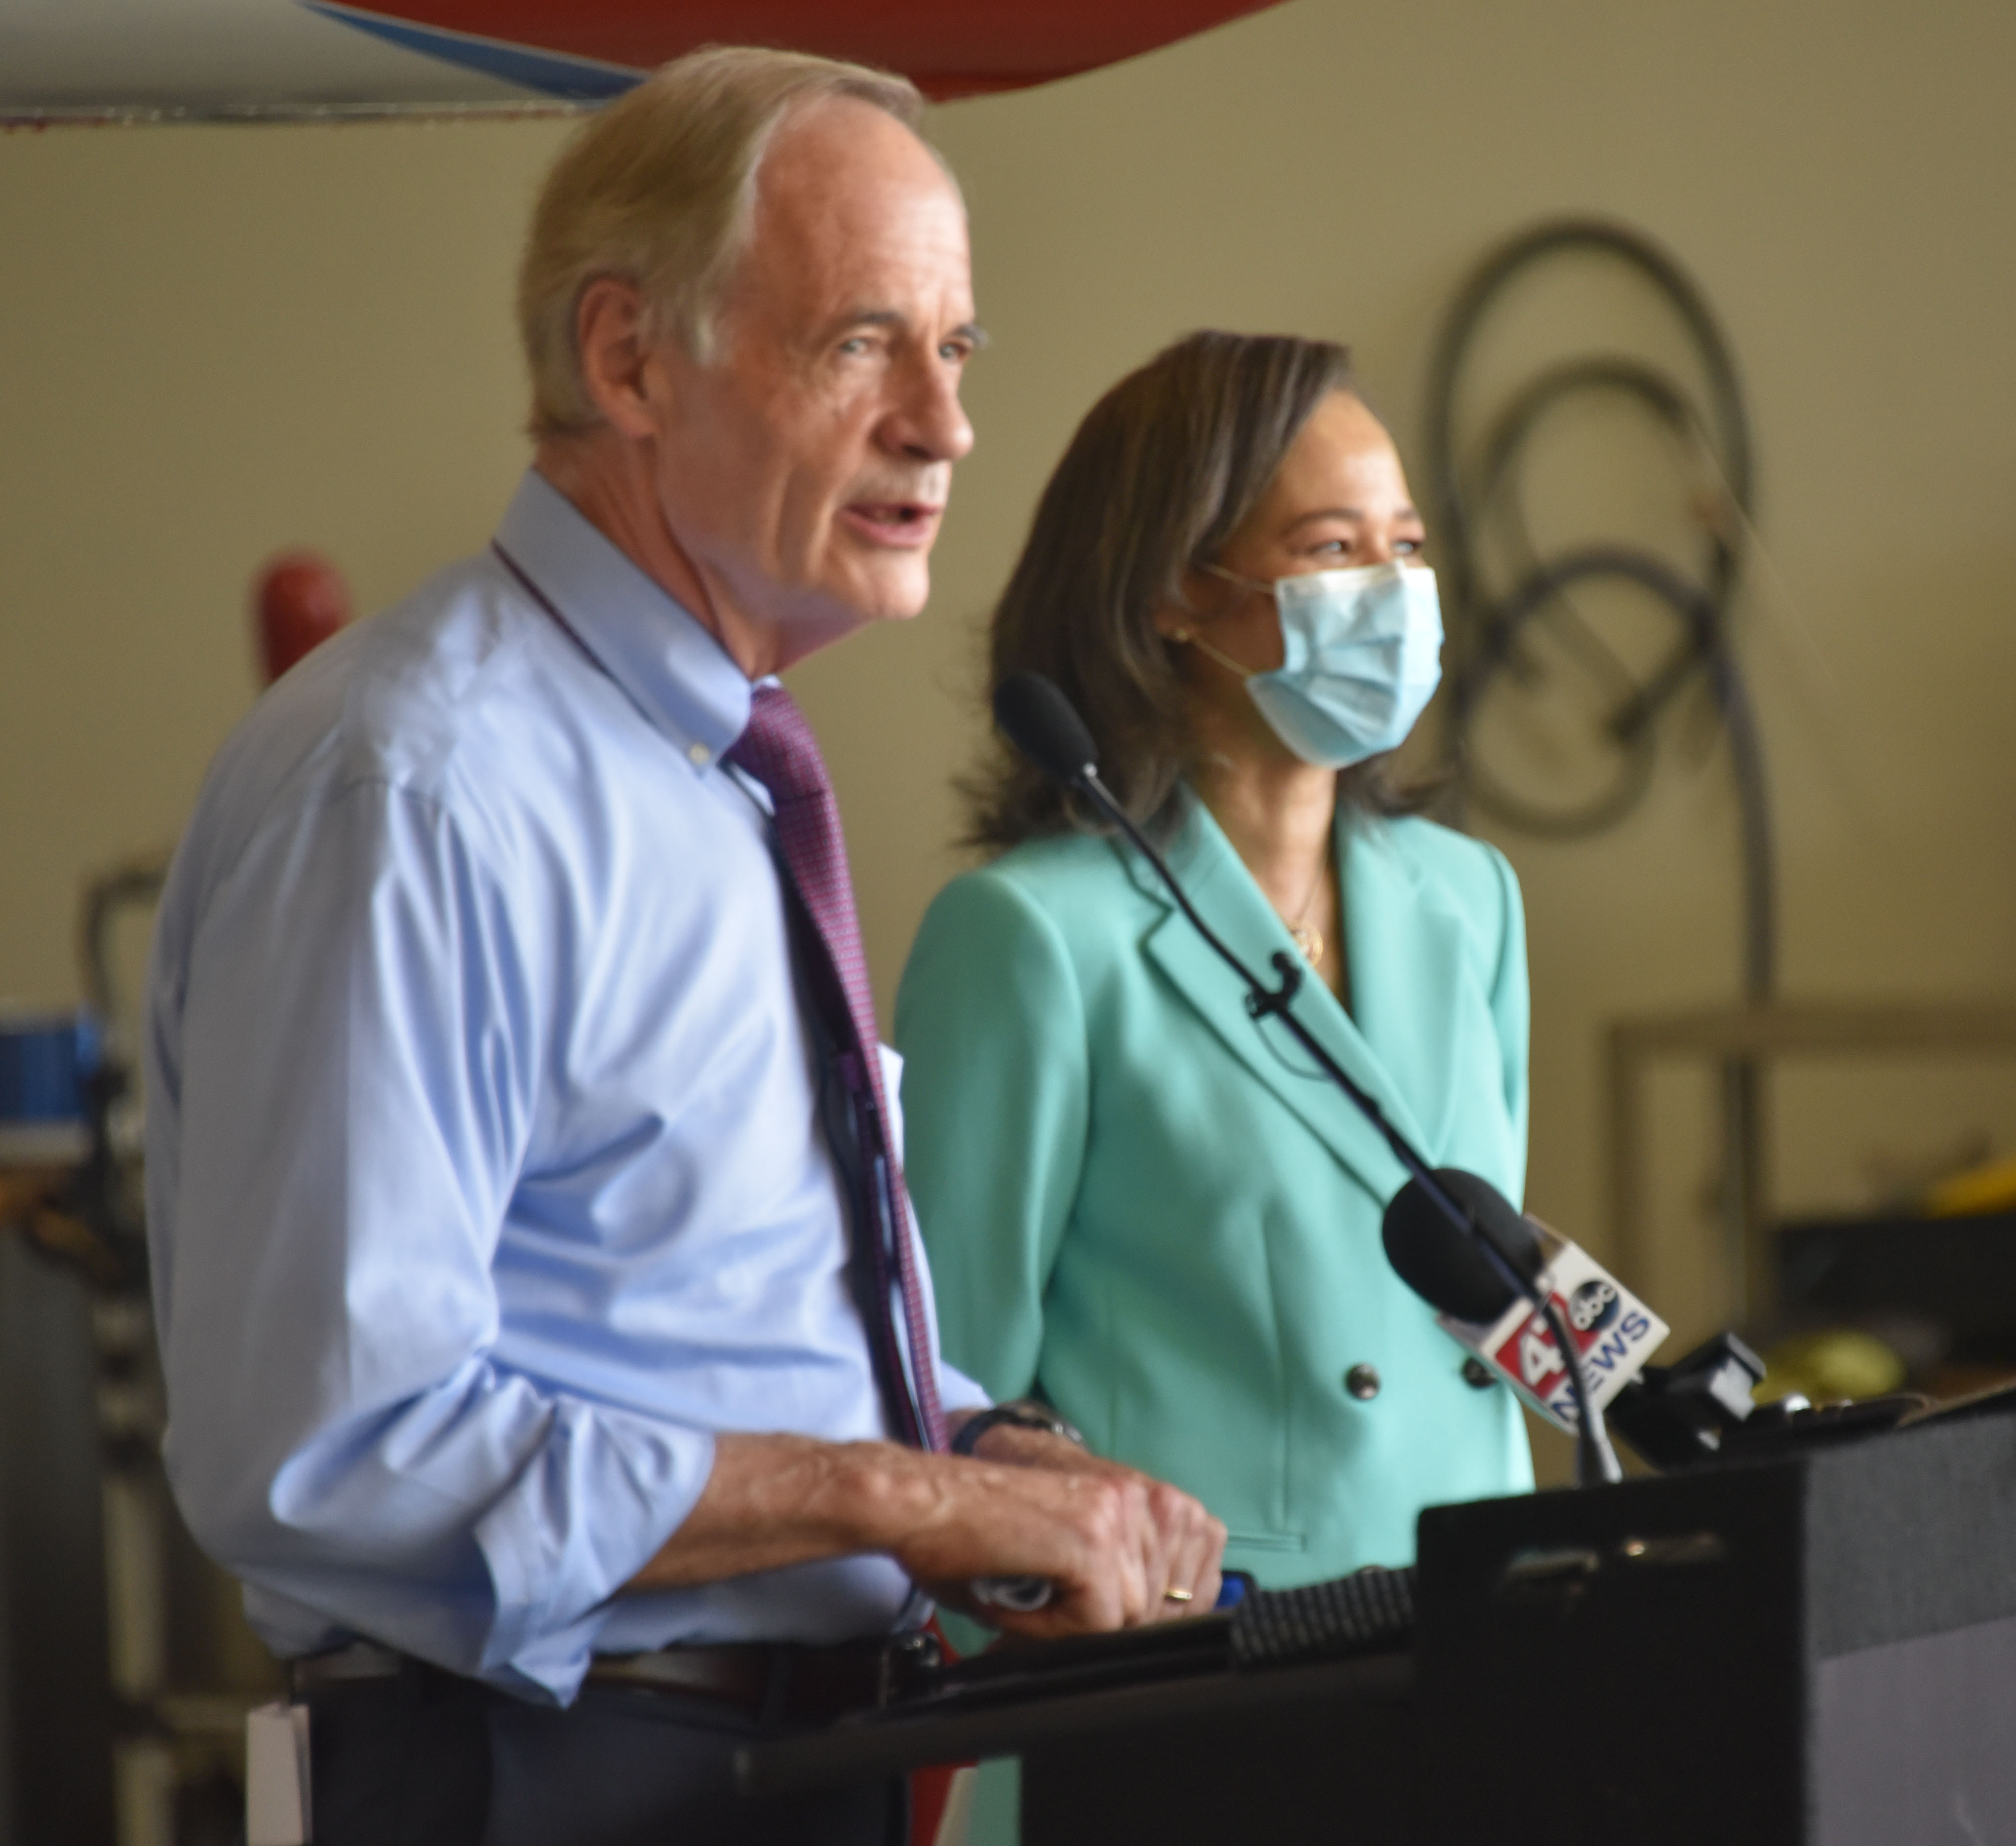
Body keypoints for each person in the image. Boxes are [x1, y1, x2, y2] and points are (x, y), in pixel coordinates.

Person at [145, 50, 1222, 1846]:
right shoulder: (420, 785)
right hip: (535, 1768)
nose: (944, 427)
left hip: (783, 1765)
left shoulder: (716, 774)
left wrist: (979, 1457)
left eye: (954, 352)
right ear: (628, 359)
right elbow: (332, 1447)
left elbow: (702, 1322)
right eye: (862, 339)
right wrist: (898, 1502)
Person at [898, 327, 1534, 1604]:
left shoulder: (1471, 900)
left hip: (1490, 1634)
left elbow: (1483, 1302)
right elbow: (942, 1398)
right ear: (1172, 593)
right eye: (1331, 549)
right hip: (1197, 1677)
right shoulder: (1029, 937)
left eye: (1404, 547)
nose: (1392, 592)